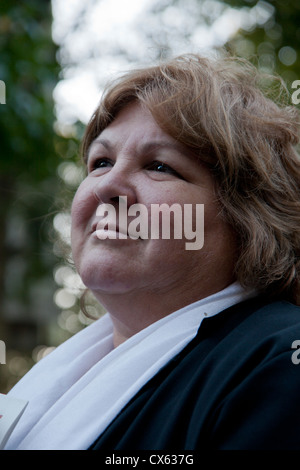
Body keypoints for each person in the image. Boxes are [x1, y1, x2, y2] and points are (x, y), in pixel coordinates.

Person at [4, 53, 300, 450]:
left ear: (249, 216)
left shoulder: (278, 362)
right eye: (101, 161)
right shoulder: (66, 372)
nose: (108, 186)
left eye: (159, 166)